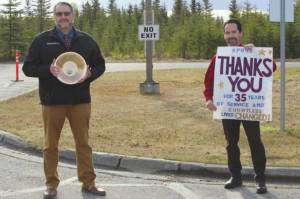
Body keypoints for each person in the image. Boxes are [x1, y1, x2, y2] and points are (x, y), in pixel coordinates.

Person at [22, 2, 106, 198]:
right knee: (50, 145)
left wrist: (90, 74)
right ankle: (51, 185)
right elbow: (28, 68)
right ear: (54, 16)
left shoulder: (86, 40)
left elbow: (100, 65)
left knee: (83, 144)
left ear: (73, 16)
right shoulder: (42, 41)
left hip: (80, 101)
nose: (63, 17)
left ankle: (88, 183)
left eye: (67, 14)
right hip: (52, 102)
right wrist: (47, 71)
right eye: (59, 14)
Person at [203, 19, 276, 194]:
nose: (230, 36)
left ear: (240, 34)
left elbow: (271, 67)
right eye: (227, 33)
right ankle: (235, 177)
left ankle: (260, 179)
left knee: (255, 142)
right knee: (231, 143)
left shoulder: (249, 52)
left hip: (249, 107)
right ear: (224, 35)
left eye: (233, 32)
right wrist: (208, 99)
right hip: (228, 107)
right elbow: (208, 82)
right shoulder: (218, 57)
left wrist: (256, 52)